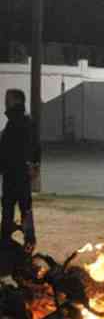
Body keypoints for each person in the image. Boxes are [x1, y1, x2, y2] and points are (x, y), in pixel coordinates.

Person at [0, 89, 40, 253]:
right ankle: (24, 241)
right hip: (16, 174)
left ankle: (9, 242)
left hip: (16, 174)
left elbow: (12, 149)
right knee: (22, 209)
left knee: (13, 208)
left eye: (7, 99)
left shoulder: (20, 122)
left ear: (16, 101)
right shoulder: (19, 122)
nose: (4, 101)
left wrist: (33, 165)